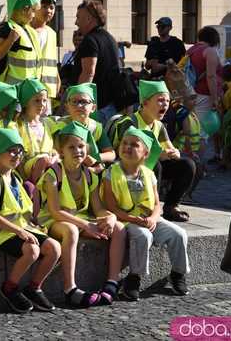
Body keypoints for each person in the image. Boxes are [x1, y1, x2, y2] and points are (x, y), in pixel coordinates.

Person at [37, 122, 125, 307]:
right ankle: (70, 288)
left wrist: (111, 217)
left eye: (81, 146)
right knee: (71, 230)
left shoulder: (90, 175)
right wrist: (86, 225)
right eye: (71, 147)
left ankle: (112, 283)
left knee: (118, 228)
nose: (77, 150)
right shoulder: (53, 174)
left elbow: (98, 207)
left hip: (80, 219)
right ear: (61, 151)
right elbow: (55, 211)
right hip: (54, 220)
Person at [0, 126, 60, 313]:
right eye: (11, 151)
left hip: (22, 228)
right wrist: (20, 231)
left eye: (20, 151)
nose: (17, 155)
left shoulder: (15, 177)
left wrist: (33, 223)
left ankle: (34, 287)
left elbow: (22, 209)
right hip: (1, 232)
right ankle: (10, 288)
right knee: (32, 250)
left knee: (54, 248)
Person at [103, 127, 189, 300]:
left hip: (148, 218)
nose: (127, 147)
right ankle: (134, 277)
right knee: (143, 236)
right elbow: (111, 206)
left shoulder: (149, 174)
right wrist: (132, 219)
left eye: (134, 145)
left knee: (179, 234)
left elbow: (157, 203)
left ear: (145, 153)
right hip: (126, 219)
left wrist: (153, 218)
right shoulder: (111, 173)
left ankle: (178, 273)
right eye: (125, 143)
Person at [111, 80, 196, 222]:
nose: (165, 104)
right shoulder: (129, 122)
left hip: (150, 163)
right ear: (145, 103)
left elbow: (169, 147)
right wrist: (158, 155)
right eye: (160, 100)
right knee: (155, 165)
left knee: (187, 165)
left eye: (167, 101)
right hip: (124, 167)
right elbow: (126, 152)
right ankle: (148, 207)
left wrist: (175, 152)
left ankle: (171, 207)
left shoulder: (159, 125)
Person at [70, 0, 120, 123]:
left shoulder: (90, 40)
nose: (76, 22)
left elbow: (88, 73)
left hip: (95, 109)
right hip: (110, 105)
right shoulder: (110, 38)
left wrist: (76, 102)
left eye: (78, 17)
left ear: (89, 19)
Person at [51, 83, 116, 173]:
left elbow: (111, 154)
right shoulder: (60, 127)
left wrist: (96, 158)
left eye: (84, 102)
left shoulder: (96, 127)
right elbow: (56, 152)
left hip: (90, 169)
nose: (79, 106)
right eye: (74, 102)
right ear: (67, 107)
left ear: (93, 107)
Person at [0, 0, 41, 86]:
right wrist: (10, 40)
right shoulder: (8, 28)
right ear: (24, 9)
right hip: (13, 92)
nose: (34, 15)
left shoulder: (29, 30)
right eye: (33, 10)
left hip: (28, 90)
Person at [187, 26, 223, 163]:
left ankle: (193, 162)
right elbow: (211, 76)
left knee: (192, 129)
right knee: (202, 133)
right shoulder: (210, 51)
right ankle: (198, 165)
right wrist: (215, 99)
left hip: (190, 94)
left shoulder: (191, 50)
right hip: (204, 95)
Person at [16, 78, 58, 187]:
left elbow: (54, 150)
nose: (42, 104)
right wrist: (23, 180)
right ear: (25, 102)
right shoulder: (18, 125)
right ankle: (35, 190)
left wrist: (55, 157)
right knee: (43, 160)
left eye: (44, 100)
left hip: (49, 166)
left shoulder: (47, 123)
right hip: (28, 169)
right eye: (37, 101)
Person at [32, 0, 59, 100]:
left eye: (51, 8)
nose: (49, 11)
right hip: (30, 89)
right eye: (44, 6)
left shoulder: (52, 33)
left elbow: (52, 63)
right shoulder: (25, 30)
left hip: (46, 91)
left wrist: (58, 81)